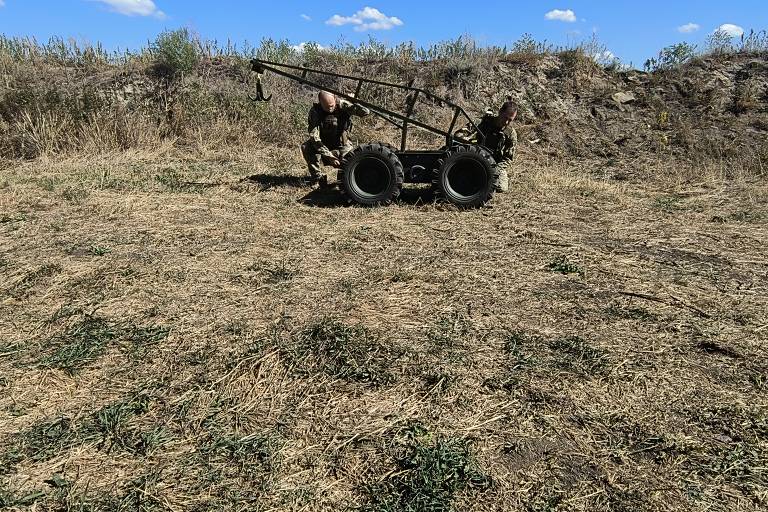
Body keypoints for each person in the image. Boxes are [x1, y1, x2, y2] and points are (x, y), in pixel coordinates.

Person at [300, 91, 370, 188]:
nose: (330, 109)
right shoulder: (315, 111)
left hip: (342, 145)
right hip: (323, 144)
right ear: (320, 102)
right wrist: (329, 156)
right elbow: (314, 138)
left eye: (332, 106)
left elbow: (365, 112)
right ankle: (317, 178)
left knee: (351, 162)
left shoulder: (343, 105)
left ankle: (351, 180)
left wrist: (355, 102)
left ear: (335, 99)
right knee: (306, 147)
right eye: (326, 107)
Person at [456, 98, 518, 193]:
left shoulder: (510, 133)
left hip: (494, 164)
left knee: (501, 187)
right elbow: (459, 134)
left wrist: (496, 169)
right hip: (475, 158)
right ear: (500, 112)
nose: (506, 122)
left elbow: (508, 158)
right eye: (505, 118)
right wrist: (466, 141)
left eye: (510, 120)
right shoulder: (483, 122)